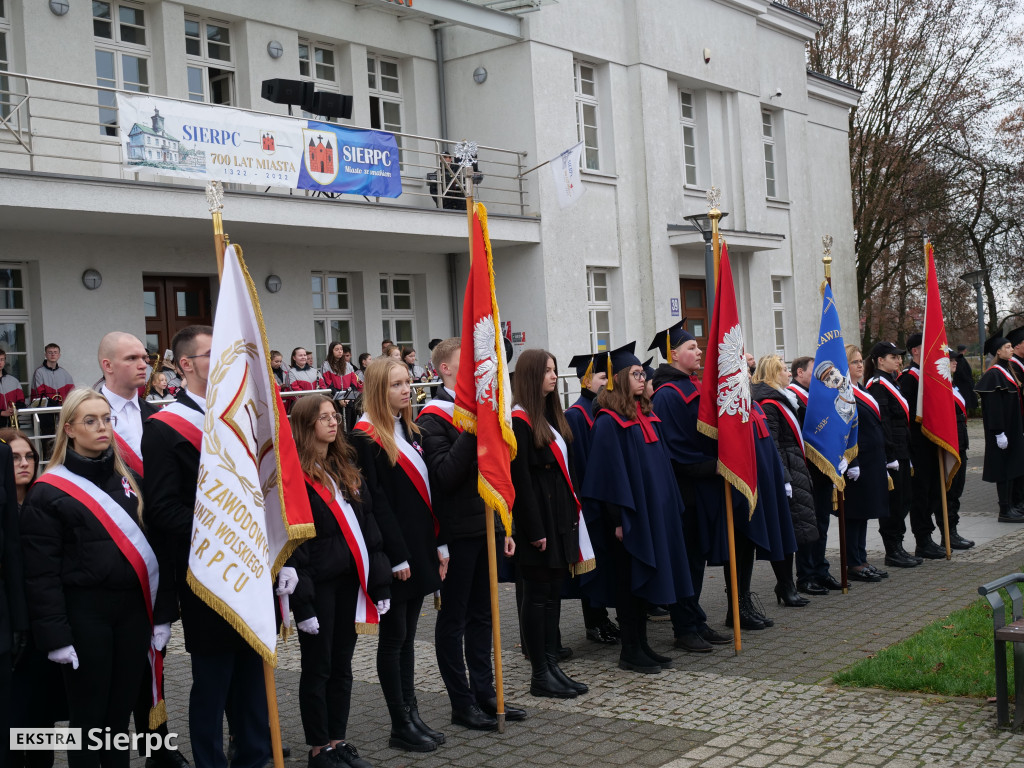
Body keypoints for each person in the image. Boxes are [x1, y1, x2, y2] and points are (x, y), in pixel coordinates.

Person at [142, 326, 273, 768]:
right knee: (214, 682)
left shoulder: (239, 419)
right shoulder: (163, 428)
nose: (222, 359)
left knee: (253, 679)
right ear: (185, 365)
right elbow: (162, 509)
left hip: (251, 566)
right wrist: (219, 536)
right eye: (211, 353)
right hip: (208, 571)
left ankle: (253, 757)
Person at [22, 389, 170, 768]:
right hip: (84, 616)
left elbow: (157, 550)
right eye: (91, 420)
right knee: (89, 719)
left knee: (120, 715)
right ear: (68, 428)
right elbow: (41, 576)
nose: (102, 427)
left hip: (133, 613)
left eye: (106, 418)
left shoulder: (130, 479)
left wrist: (163, 613)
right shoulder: (48, 492)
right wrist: (55, 637)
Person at [417, 338, 525, 731]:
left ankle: (486, 693)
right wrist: (473, 427)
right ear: (445, 369)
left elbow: (496, 470)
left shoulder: (481, 411)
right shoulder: (432, 418)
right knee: (454, 620)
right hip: (457, 533)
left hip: (487, 528)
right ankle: (461, 702)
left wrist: (503, 521)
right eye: (466, 364)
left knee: (485, 615)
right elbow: (444, 476)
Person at [97, 332, 186, 768]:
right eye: (131, 357)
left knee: (154, 661)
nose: (143, 364)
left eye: (145, 356)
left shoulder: (156, 416)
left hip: (155, 556)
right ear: (107, 364)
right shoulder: (86, 419)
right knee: (116, 672)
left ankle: (157, 745)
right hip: (109, 563)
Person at [288, 395, 392, 768]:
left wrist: (379, 583)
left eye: (335, 416)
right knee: (318, 667)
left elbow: (368, 529)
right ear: (305, 425)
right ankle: (318, 748)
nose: (334, 423)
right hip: (317, 586)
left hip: (349, 580)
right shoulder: (293, 476)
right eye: (325, 418)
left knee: (343, 665)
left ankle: (338, 740)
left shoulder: (343, 465)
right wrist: (302, 602)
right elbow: (294, 544)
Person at [351, 357, 447, 753]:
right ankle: (399, 723)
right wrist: (397, 556)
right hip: (396, 555)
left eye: (407, 382)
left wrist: (439, 543)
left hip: (421, 546)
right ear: (377, 389)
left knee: (408, 638)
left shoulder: (410, 428)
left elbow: (427, 493)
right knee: (393, 640)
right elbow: (376, 504)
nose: (406, 389)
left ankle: (412, 712)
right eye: (396, 384)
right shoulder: (364, 437)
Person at [582, 342, 693, 674]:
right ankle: (630, 650)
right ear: (618, 379)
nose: (643, 378)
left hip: (655, 516)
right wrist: (618, 518)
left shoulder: (646, 413)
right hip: (628, 519)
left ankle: (643, 645)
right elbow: (607, 475)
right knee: (629, 583)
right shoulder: (608, 421)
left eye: (643, 373)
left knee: (646, 583)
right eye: (635, 373)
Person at [648, 322, 733, 652]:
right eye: (692, 348)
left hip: (701, 489)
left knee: (696, 561)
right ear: (673, 355)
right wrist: (716, 464)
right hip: (684, 492)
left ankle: (695, 618)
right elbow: (676, 449)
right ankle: (684, 627)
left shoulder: (690, 386)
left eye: (698, 348)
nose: (699, 352)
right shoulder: (668, 394)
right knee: (684, 561)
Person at [509, 349, 588, 699]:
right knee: (538, 596)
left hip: (559, 518)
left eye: (555, 370)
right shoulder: (520, 420)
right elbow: (521, 481)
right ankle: (540, 672)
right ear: (530, 376)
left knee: (554, 594)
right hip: (537, 522)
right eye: (547, 371)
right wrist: (535, 529)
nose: (554, 377)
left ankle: (552, 664)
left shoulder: (547, 415)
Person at [4, 428, 61, 768]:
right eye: (14, 458)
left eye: (29, 456)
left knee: (43, 716)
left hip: (42, 627)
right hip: (11, 628)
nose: (24, 463)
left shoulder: (44, 501)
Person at [750, 355, 819, 606]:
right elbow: (774, 445)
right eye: (783, 370)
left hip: (794, 466)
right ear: (772, 372)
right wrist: (784, 478)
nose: (788, 374)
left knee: (794, 530)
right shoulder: (769, 403)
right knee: (787, 530)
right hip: (786, 471)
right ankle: (786, 584)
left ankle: (788, 584)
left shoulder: (780, 399)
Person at [563, 353, 619, 646]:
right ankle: (594, 622)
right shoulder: (576, 414)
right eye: (601, 377)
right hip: (588, 501)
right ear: (586, 380)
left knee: (603, 564)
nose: (606, 382)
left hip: (601, 499)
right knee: (591, 567)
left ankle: (603, 618)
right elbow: (582, 462)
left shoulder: (598, 409)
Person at [865, 341, 921, 566]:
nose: (899, 360)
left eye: (899, 357)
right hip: (892, 451)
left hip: (902, 448)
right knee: (894, 502)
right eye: (893, 357)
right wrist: (890, 455)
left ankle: (899, 545)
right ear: (880, 360)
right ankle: (892, 550)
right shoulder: (877, 384)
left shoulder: (892, 382)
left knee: (904, 499)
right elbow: (884, 421)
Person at [841, 345, 890, 582]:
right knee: (854, 513)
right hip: (856, 462)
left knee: (865, 512)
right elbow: (845, 431)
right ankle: (853, 562)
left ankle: (862, 558)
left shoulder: (862, 389)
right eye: (854, 362)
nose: (860, 365)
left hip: (873, 459)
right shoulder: (842, 392)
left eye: (861, 361)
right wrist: (852, 461)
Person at [898, 333, 946, 560]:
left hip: (933, 442)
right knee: (921, 495)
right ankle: (922, 540)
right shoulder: (908, 378)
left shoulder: (930, 376)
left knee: (935, 492)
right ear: (915, 351)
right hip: (917, 445)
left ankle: (930, 536)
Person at [975, 335, 1024, 522]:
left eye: (1012, 347)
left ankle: (1011, 505)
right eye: (1008, 347)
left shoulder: (1007, 370)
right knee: (1003, 469)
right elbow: (994, 407)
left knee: (1012, 467)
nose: (1012, 349)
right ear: (998, 351)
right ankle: (1004, 509)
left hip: (1012, 428)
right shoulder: (994, 374)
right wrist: (999, 432)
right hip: (1001, 430)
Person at [944, 352, 974, 549]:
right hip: (950, 444)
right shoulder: (942, 387)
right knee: (950, 491)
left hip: (960, 443)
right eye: (951, 360)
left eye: (955, 360)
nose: (955, 362)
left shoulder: (953, 385)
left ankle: (952, 530)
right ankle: (949, 533)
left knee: (957, 489)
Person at [31, 343, 74, 453]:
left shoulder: (65, 374)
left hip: (61, 413)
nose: (53, 355)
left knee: (63, 439)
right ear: (45, 355)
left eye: (55, 352)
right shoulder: (39, 372)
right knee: (48, 441)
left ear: (59, 355)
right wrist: (54, 404)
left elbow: (72, 393)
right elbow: (39, 394)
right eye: (50, 353)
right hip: (45, 414)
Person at [0, 348, 25, 429]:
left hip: (12, 424)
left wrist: (14, 409)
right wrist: (2, 413)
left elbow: (21, 403)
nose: (0, 362)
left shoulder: (14, 381)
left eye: (2, 359)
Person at [952, 344, 977, 410]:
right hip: (963, 384)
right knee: (965, 398)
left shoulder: (959, 358)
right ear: (964, 350)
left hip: (962, 383)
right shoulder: (960, 359)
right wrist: (967, 379)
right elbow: (960, 371)